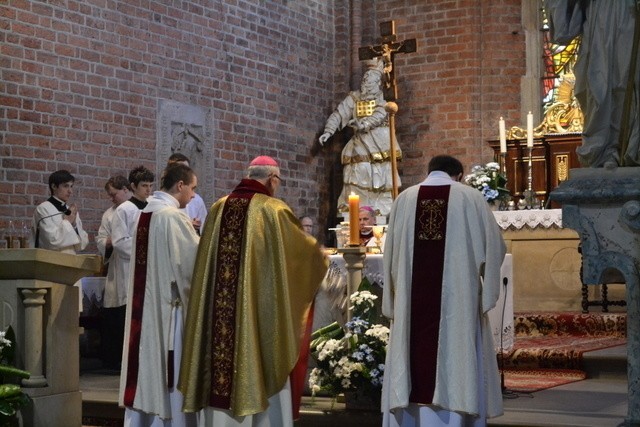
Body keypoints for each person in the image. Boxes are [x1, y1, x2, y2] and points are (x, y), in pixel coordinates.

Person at [179, 155, 328, 426]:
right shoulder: (274, 210)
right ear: (272, 179)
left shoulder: (218, 208)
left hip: (218, 321)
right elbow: (302, 257)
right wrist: (321, 257)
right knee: (260, 346)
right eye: (278, 181)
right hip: (255, 317)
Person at [381, 155, 506, 426]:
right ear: (458, 175)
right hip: (458, 305)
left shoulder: (404, 199)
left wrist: (392, 301)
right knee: (457, 358)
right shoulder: (471, 198)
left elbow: (388, 254)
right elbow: (496, 249)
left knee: (413, 361)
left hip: (412, 308)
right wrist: (486, 294)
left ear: (429, 171)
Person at [119, 163, 200, 426]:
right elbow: (192, 266)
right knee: (171, 376)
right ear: (180, 186)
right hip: (170, 313)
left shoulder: (146, 214)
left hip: (146, 310)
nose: (193, 195)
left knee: (144, 367)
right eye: (193, 188)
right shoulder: (173, 217)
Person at [547, 0, 640, 167]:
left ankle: (627, 149)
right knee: (597, 88)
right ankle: (602, 152)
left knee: (626, 84)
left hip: (630, 15)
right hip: (599, 18)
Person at [318, 58, 402, 216]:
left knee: (382, 174)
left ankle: (380, 210)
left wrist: (363, 124)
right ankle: (354, 210)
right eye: (366, 79)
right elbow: (339, 113)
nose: (367, 82)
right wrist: (328, 131)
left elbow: (379, 115)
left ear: (378, 83)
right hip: (360, 143)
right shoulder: (354, 98)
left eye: (372, 79)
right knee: (357, 170)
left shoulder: (382, 101)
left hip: (380, 143)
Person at [95, 175, 131, 372]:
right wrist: (108, 242)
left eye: (113, 194)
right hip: (117, 268)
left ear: (125, 189)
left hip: (133, 264)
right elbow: (101, 239)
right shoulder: (109, 214)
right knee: (114, 312)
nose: (111, 199)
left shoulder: (139, 208)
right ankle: (112, 360)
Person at [33, 169, 89, 253]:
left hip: (71, 262)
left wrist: (74, 226)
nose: (70, 191)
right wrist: (67, 222)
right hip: (51, 263)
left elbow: (82, 244)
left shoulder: (69, 210)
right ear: (54, 186)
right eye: (66, 186)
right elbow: (51, 242)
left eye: (71, 186)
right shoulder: (43, 209)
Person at [167, 152, 208, 234]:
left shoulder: (197, 200)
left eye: (187, 170)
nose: (185, 174)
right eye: (181, 170)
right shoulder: (166, 200)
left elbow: (204, 230)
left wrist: (197, 228)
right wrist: (188, 226)